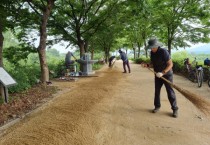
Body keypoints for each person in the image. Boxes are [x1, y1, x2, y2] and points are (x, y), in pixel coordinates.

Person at [146, 38, 178, 118]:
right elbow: (152, 62)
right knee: (157, 91)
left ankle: (175, 109)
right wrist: (148, 65)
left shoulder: (164, 52)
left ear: (157, 46)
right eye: (151, 47)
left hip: (167, 74)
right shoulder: (152, 53)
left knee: (170, 92)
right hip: (157, 75)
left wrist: (163, 72)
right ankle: (157, 106)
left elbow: (170, 64)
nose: (152, 49)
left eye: (153, 47)